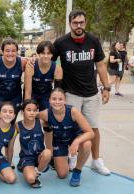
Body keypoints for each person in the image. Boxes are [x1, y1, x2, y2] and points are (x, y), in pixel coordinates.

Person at [52, 9, 111, 176]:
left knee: (93, 128)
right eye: (75, 22)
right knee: (73, 128)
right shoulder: (61, 43)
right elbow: (50, 62)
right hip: (71, 93)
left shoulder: (93, 40)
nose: (78, 25)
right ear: (70, 23)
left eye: (81, 22)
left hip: (91, 93)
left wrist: (106, 87)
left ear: (85, 23)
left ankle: (96, 161)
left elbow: (100, 65)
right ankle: (73, 156)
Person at [38, 88, 94, 187]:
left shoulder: (73, 111)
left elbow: (90, 133)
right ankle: (64, 158)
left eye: (60, 99)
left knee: (87, 144)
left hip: (74, 137)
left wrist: (76, 142)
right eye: (54, 99)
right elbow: (30, 117)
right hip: (59, 141)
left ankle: (77, 171)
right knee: (62, 174)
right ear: (49, 100)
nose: (57, 102)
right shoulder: (45, 113)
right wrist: (43, 124)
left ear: (65, 100)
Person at [0, 38, 28, 119]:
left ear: (17, 51)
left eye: (13, 51)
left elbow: (36, 67)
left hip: (15, 96)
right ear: (2, 52)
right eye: (7, 51)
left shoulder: (23, 62)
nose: (10, 53)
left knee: (10, 122)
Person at [17, 99, 52, 188]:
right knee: (31, 179)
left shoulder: (41, 122)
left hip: (40, 157)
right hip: (27, 158)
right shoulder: (18, 125)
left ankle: (38, 171)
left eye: (34, 110)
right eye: (29, 110)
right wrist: (8, 163)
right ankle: (28, 170)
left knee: (48, 152)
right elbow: (9, 143)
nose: (32, 113)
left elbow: (53, 126)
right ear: (22, 111)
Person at [24, 41, 63, 111]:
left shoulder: (57, 69)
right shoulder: (31, 66)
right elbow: (27, 92)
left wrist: (55, 108)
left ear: (52, 54)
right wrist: (27, 108)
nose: (45, 56)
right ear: (38, 54)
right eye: (43, 53)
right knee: (30, 114)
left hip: (46, 96)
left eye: (48, 53)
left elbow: (57, 92)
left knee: (47, 116)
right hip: (33, 95)